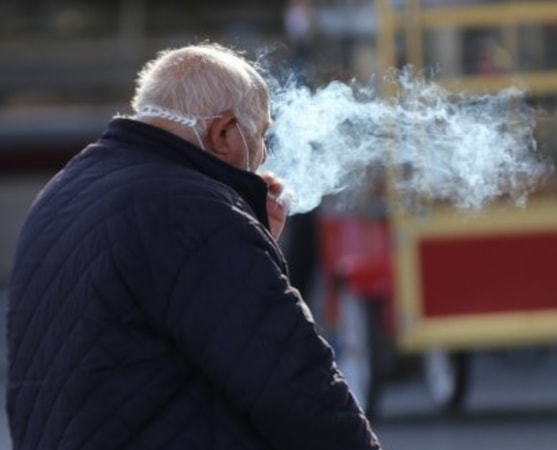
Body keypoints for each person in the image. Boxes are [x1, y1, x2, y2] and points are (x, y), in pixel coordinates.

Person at [6, 43, 382, 450]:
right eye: (261, 136)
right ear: (223, 133)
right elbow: (296, 385)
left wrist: (250, 237)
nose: (264, 156)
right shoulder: (193, 213)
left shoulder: (66, 189)